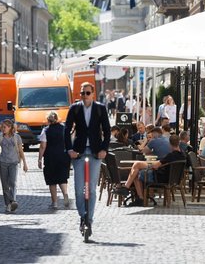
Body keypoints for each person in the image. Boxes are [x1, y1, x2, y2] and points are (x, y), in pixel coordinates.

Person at [65, 82, 111, 236]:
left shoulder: (100, 108)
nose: (85, 96)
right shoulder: (75, 108)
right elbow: (67, 130)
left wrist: (104, 149)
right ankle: (82, 216)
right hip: (78, 152)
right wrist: (69, 149)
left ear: (93, 94)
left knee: (91, 189)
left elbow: (107, 130)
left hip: (95, 152)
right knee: (78, 190)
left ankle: (89, 219)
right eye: (82, 93)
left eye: (87, 93)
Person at [115, 135, 185, 204]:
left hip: (160, 178)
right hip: (173, 179)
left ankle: (138, 196)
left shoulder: (171, 155)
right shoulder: (182, 155)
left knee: (136, 170)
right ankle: (130, 191)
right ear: (179, 143)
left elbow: (155, 166)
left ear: (169, 144)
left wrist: (150, 165)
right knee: (136, 169)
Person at [39, 112, 71, 209]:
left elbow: (43, 146)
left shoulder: (46, 130)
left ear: (48, 120)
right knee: (62, 178)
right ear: (57, 119)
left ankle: (55, 203)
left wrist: (40, 158)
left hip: (50, 157)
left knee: (52, 180)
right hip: (63, 156)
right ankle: (65, 193)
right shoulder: (64, 129)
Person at [0, 119, 28, 213]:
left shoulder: (17, 137)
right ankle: (8, 204)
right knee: (5, 185)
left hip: (14, 162)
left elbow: (21, 151)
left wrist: (25, 163)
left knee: (12, 182)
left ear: (10, 128)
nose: (2, 129)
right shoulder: (0, 138)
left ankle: (13, 200)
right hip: (3, 163)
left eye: (4, 127)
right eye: (2, 127)